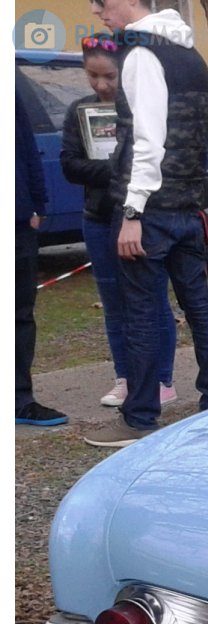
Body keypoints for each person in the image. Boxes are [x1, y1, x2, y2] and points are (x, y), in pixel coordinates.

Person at [85, 0, 208, 449]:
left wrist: (132, 213)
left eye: (102, 4)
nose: (98, 14)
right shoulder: (190, 53)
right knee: (200, 308)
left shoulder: (142, 55)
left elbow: (148, 140)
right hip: (189, 204)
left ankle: (140, 417)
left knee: (142, 315)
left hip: (152, 211)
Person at [61, 32, 177, 410]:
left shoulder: (142, 107)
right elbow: (70, 164)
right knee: (113, 302)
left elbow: (153, 158)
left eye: (109, 76)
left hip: (140, 217)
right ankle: (125, 376)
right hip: (97, 216)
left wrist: (123, 172)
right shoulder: (79, 111)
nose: (101, 85)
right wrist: (114, 169)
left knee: (150, 298)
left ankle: (161, 378)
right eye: (93, 76)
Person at [16, 88, 69, 428]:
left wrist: (37, 201)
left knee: (20, 313)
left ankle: (20, 399)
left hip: (17, 218)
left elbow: (25, 145)